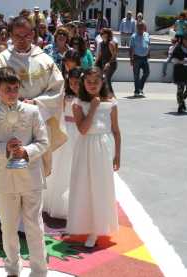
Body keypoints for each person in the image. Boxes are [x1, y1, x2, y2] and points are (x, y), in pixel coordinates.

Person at [0, 67, 49, 277]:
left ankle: (39, 270)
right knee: (8, 228)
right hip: (5, 181)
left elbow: (44, 142)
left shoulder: (32, 111)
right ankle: (12, 267)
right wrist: (6, 150)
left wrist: (26, 151)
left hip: (31, 178)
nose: (12, 93)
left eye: (15, 88)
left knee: (34, 226)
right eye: (7, 89)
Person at [68, 67, 121, 248]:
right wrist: (93, 108)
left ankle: (97, 228)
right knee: (84, 186)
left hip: (104, 148)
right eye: (88, 82)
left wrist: (117, 155)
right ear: (83, 83)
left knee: (101, 187)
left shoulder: (111, 103)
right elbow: (82, 129)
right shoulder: (77, 103)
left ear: (102, 83)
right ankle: (86, 224)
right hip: (85, 147)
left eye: (95, 82)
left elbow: (116, 130)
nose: (92, 85)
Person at [44, 67, 82, 219]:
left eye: (77, 83)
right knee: (63, 166)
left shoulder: (87, 99)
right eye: (71, 83)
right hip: (66, 132)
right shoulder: (65, 97)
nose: (74, 86)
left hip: (80, 132)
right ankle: (59, 203)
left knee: (76, 166)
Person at [129, 21, 150, 97]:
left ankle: (140, 87)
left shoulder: (147, 35)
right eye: (139, 27)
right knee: (136, 75)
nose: (141, 28)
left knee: (147, 73)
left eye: (142, 27)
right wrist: (131, 59)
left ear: (144, 27)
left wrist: (149, 54)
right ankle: (137, 91)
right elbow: (131, 48)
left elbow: (148, 45)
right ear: (137, 28)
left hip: (145, 58)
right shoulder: (133, 36)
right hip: (136, 58)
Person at [95, 28, 118, 95]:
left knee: (107, 79)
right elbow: (100, 54)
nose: (103, 35)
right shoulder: (101, 43)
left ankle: (111, 94)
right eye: (102, 34)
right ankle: (105, 94)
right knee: (103, 79)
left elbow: (114, 55)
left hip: (112, 64)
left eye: (105, 33)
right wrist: (95, 62)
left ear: (108, 35)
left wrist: (108, 63)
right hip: (104, 63)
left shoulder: (110, 43)